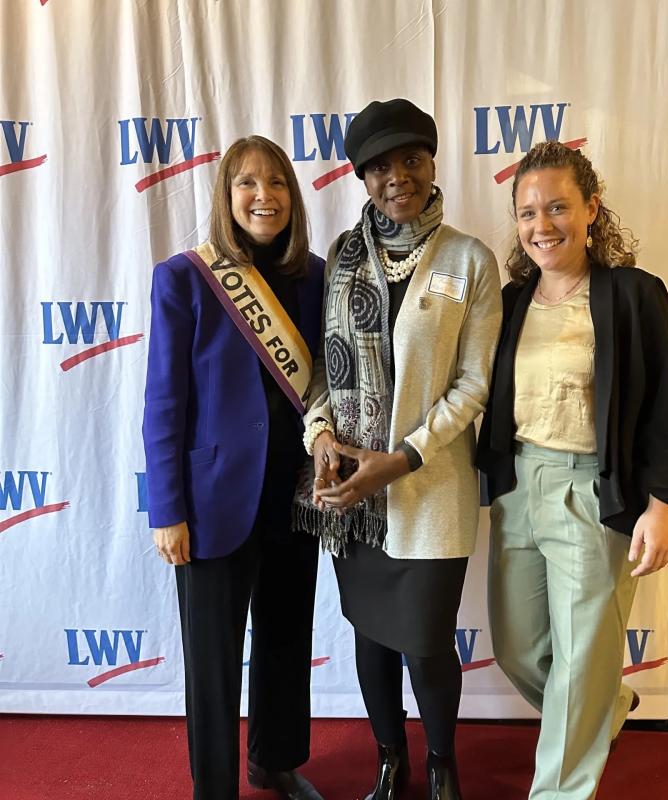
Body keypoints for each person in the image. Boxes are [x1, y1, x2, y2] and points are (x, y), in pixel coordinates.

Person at [293, 98, 502, 800]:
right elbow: (322, 370)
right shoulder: (341, 263)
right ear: (362, 177)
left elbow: (473, 385)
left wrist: (404, 457)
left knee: (426, 641)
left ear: (431, 161)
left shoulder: (470, 260)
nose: (397, 177)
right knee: (373, 636)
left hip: (432, 489)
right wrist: (319, 434)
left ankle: (440, 762)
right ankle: (391, 760)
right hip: (354, 495)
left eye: (410, 159)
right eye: (379, 166)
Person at [477, 141, 668, 800]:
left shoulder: (633, 294)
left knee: (582, 658)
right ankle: (604, 705)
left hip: (593, 493)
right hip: (518, 492)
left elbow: (661, 408)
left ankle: (560, 790)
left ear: (592, 208)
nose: (543, 225)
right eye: (528, 211)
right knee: (519, 651)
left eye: (559, 206)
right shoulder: (509, 303)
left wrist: (662, 502)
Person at [142, 135, 325, 800]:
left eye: (277, 183)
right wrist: (167, 511)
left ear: (292, 197)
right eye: (248, 183)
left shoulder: (316, 275)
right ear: (226, 195)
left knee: (283, 640)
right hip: (214, 502)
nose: (263, 196)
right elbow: (164, 403)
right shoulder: (186, 278)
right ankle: (214, 786)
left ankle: (275, 761)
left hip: (294, 498)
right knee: (213, 663)